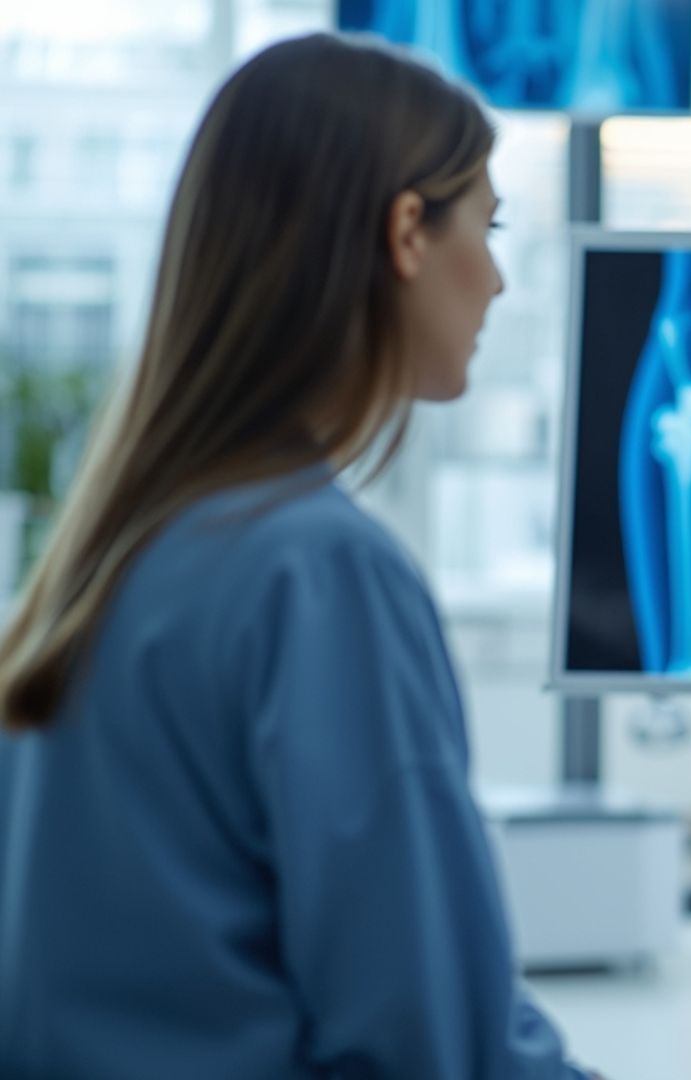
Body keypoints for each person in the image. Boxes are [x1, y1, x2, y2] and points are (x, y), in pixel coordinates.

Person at [0, 34, 592, 1079]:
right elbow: (431, 1042)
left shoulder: (111, 557)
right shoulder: (320, 575)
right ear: (407, 231)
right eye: (487, 226)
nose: (497, 280)